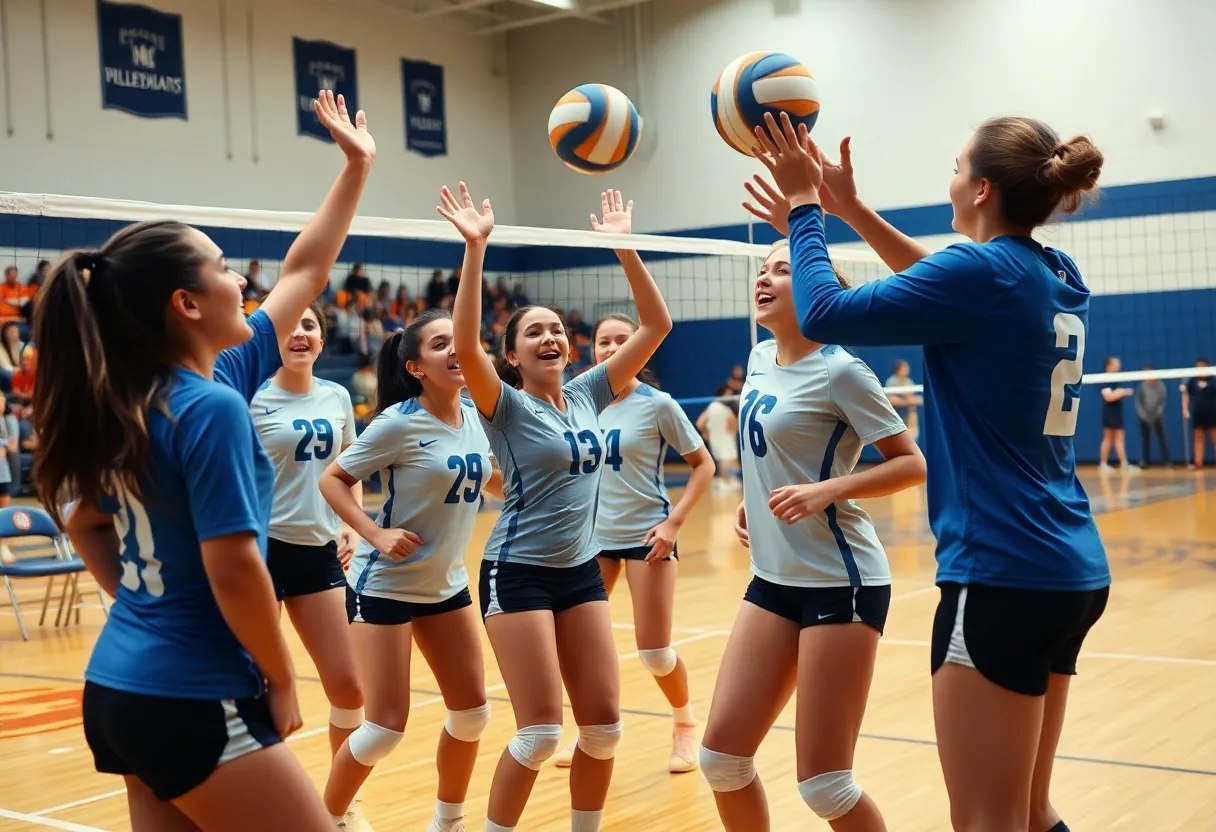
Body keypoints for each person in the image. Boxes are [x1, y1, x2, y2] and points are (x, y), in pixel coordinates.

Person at [745, 112, 1110, 832]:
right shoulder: (1053, 274)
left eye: (953, 168)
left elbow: (821, 313)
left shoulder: (980, 272)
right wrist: (852, 208)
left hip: (1000, 571)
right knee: (1029, 813)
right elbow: (942, 288)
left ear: (979, 188)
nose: (946, 181)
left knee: (986, 820)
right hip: (1067, 571)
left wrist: (805, 208)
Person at [32, 90, 375, 831]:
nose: (243, 280)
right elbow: (234, 568)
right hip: (196, 691)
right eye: (224, 267)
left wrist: (356, 167)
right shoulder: (210, 406)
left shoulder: (141, 396)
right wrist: (281, 679)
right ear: (187, 304)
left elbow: (305, 272)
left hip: (119, 685)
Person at [442, 183, 671, 832]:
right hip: (516, 571)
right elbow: (464, 346)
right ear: (511, 355)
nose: (550, 336)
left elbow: (656, 326)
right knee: (541, 734)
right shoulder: (504, 405)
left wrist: (623, 246)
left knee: (602, 730)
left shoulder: (590, 393)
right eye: (532, 332)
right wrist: (476, 249)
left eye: (556, 330)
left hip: (579, 571)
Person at [697, 240, 925, 831]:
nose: (765, 279)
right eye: (763, 270)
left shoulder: (843, 370)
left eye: (784, 270)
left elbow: (911, 464)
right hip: (773, 578)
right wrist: (754, 504)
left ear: (819, 290)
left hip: (840, 583)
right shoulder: (760, 355)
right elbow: (767, 451)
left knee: (825, 785)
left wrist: (827, 490)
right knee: (721, 759)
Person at [318, 308, 500, 832]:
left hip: (445, 585)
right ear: (416, 367)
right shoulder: (398, 422)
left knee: (472, 715)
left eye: (457, 340)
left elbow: (488, 478)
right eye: (439, 343)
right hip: (387, 585)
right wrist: (374, 534)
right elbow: (333, 480)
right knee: (384, 728)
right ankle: (324, 819)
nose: (453, 349)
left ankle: (447, 823)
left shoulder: (473, 415)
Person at [551, 314, 715, 773]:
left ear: (640, 350)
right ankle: (590, 731)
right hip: (590, 539)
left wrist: (674, 523)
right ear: (594, 350)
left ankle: (684, 723)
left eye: (624, 340)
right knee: (581, 645)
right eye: (605, 341)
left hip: (648, 536)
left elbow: (703, 465)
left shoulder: (658, 404)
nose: (614, 348)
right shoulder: (576, 401)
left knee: (654, 651)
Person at [250, 300, 366, 826]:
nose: (300, 333)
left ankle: (343, 806)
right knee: (255, 686)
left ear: (322, 339)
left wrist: (351, 521)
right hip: (258, 554)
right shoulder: (250, 398)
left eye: (311, 325)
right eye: (290, 325)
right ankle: (253, 799)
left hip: (319, 551)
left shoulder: (338, 395)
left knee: (349, 686)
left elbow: (350, 466)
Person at [697, 387, 740, 490]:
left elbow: (700, 423)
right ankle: (725, 481)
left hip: (716, 437)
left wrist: (705, 433)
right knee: (727, 459)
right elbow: (733, 425)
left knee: (723, 459)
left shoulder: (711, 407)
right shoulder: (725, 409)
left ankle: (724, 481)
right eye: (728, 394)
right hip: (724, 437)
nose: (730, 397)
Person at [1098, 356, 1133, 470]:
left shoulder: (1116, 379)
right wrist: (1122, 392)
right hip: (1110, 412)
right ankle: (1120, 464)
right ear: (1109, 366)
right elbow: (1109, 397)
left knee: (1114, 438)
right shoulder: (1104, 379)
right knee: (1113, 438)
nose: (1119, 365)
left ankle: (1117, 463)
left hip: (1116, 411)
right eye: (1116, 363)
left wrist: (1120, 392)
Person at [1182, 358, 1215, 470]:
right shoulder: (1192, 382)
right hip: (1198, 415)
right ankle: (1198, 462)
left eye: (1202, 367)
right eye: (1197, 367)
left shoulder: (1213, 381)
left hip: (1212, 414)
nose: (1199, 370)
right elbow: (1186, 394)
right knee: (1198, 439)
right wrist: (1185, 409)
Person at [1134, 366, 1169, 468]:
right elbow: (1138, 402)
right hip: (1144, 416)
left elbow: (1163, 401)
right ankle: (1146, 461)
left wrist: (1158, 413)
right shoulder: (1142, 386)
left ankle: (1167, 461)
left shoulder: (1160, 385)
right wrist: (1143, 415)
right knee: (1145, 439)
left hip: (1157, 416)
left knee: (1162, 438)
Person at [885, 359, 923, 441]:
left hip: (910, 419)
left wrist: (909, 401)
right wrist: (906, 402)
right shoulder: (891, 382)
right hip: (896, 419)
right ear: (898, 370)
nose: (907, 371)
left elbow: (918, 399)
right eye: (905, 369)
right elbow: (891, 400)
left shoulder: (909, 382)